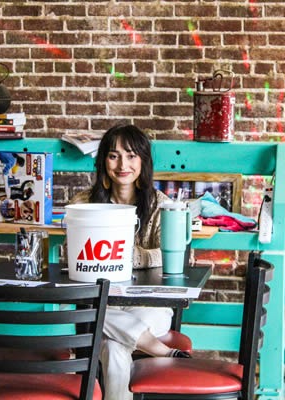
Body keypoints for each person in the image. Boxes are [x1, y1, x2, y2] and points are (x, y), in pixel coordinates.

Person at [65, 124, 190, 400]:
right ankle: (161, 350)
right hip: (103, 304)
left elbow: (173, 255)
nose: (123, 165)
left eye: (131, 156)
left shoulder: (161, 205)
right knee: (110, 340)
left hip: (149, 305)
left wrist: (135, 256)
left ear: (143, 161)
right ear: (103, 162)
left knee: (109, 339)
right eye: (114, 156)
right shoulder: (84, 204)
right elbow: (71, 253)